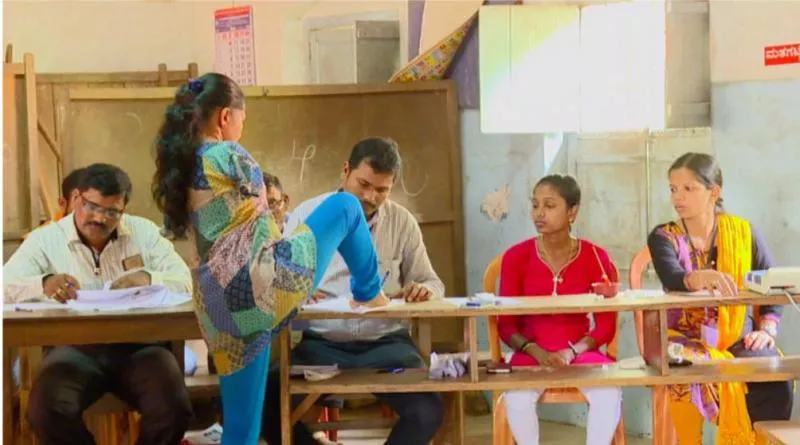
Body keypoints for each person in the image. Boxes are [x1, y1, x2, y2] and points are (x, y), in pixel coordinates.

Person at [151, 73, 388, 445]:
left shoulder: (182, 168)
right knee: (344, 206)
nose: (243, 125)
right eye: (243, 117)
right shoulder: (228, 154)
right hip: (259, 289)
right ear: (225, 116)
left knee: (241, 430)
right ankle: (369, 290)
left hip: (218, 308)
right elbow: (265, 226)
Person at [262, 138, 446, 445]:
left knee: (428, 411)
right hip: (322, 343)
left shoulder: (402, 222)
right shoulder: (309, 214)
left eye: (382, 190)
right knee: (266, 403)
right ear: (345, 171)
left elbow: (434, 283)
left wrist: (423, 289)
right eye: (363, 184)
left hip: (387, 345)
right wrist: (300, 295)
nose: (370, 196)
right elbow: (281, 281)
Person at [3, 163, 194, 445]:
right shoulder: (46, 240)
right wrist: (44, 283)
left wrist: (148, 277)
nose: (99, 218)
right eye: (92, 207)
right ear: (76, 198)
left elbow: (184, 280)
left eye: (111, 212)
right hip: (74, 349)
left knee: (174, 409)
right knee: (46, 411)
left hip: (141, 347)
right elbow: (4, 285)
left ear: (124, 209)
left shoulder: (144, 233)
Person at [647, 152, 791, 444]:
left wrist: (767, 329)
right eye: (674, 189)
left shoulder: (743, 232)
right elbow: (672, 276)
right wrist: (699, 277)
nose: (678, 197)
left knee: (774, 375)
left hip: (740, 339)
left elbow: (774, 286)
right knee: (686, 369)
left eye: (689, 188)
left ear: (714, 192)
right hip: (683, 339)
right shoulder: (664, 236)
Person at [497, 174, 622, 445]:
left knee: (609, 390)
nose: (539, 213)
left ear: (572, 212)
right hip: (530, 352)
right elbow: (506, 324)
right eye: (535, 205)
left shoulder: (595, 256)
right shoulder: (516, 257)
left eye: (550, 205)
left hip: (580, 352)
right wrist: (537, 351)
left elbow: (606, 325)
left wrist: (572, 351)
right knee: (516, 395)